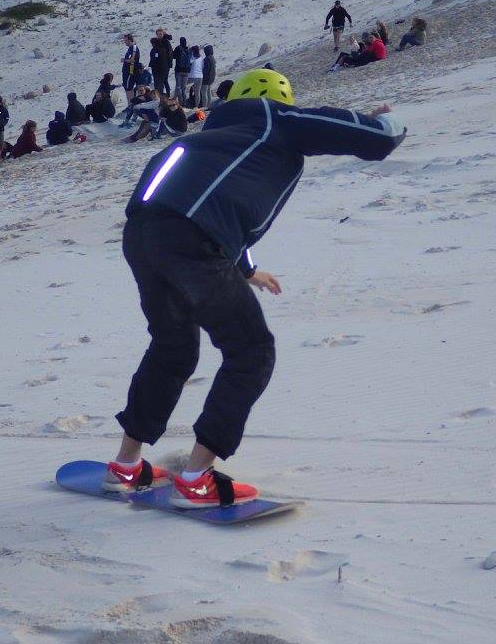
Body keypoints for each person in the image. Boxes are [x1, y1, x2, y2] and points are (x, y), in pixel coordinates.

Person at [103, 69, 405, 507]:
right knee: (251, 351)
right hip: (192, 242)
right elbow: (373, 139)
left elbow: (206, 202)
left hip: (142, 237)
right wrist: (385, 123)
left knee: (172, 350)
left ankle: (125, 466)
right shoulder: (273, 118)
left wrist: (246, 269)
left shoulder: (213, 138)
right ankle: (196, 479)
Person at [149, 31, 173, 96]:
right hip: (158, 67)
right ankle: (161, 95)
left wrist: (168, 65)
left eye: (160, 34)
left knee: (162, 81)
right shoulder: (157, 43)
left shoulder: (165, 43)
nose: (159, 35)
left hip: (163, 66)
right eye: (158, 34)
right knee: (161, 81)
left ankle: (163, 95)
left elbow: (170, 54)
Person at [172, 37, 191, 105]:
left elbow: (173, 56)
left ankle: (180, 102)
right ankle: (184, 102)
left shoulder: (178, 48)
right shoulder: (188, 49)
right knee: (184, 88)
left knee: (178, 87)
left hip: (178, 71)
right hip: (186, 72)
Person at [186, 46, 205, 110]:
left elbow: (188, 65)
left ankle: (182, 102)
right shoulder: (201, 58)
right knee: (197, 92)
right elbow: (202, 67)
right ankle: (197, 106)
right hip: (200, 77)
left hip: (192, 76)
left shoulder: (192, 58)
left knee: (182, 87)